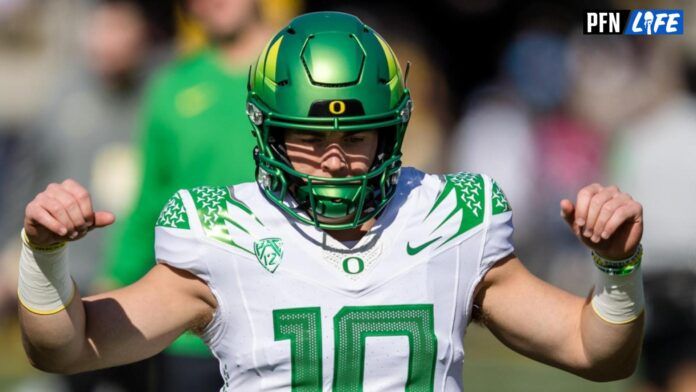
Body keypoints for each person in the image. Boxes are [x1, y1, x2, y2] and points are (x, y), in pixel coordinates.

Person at [18, 12, 644, 391]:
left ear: (392, 131)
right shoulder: (221, 230)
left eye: (357, 134)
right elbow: (66, 346)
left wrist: (616, 270)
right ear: (268, 134)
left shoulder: (449, 218)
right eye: (311, 139)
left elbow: (595, 352)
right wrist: (45, 257)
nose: (337, 159)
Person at [100, 0, 274, 389]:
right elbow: (149, 201)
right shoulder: (172, 87)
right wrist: (112, 283)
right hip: (189, 332)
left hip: (280, 320)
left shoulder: (302, 72)